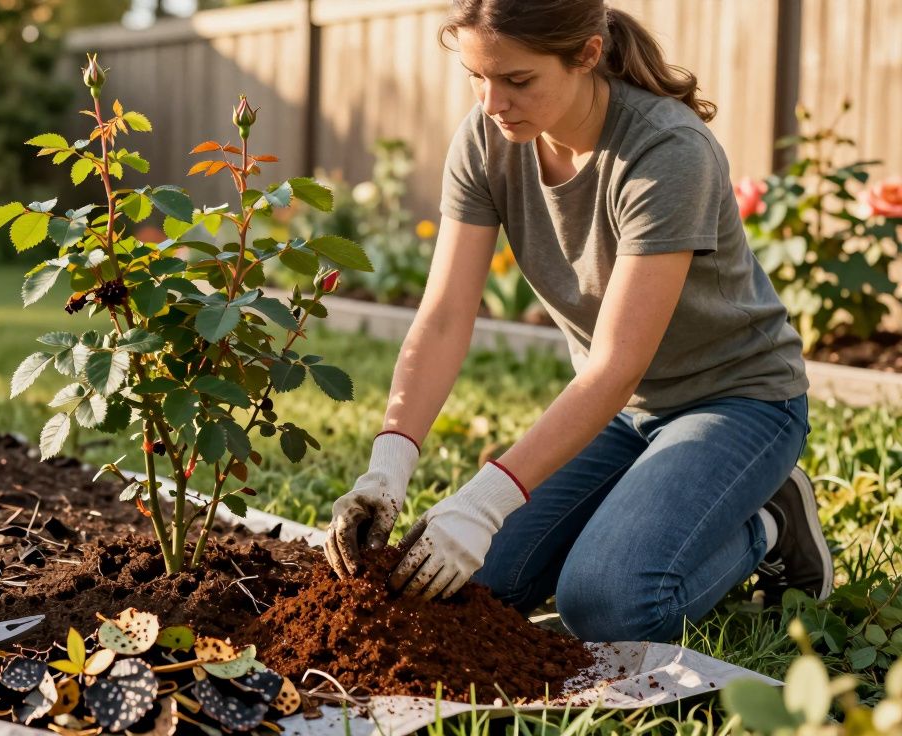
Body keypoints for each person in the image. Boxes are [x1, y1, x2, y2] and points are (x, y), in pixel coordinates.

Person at [322, 0, 833, 643]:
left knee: (608, 607)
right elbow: (447, 315)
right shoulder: (487, 141)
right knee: (471, 588)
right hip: (617, 413)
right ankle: (641, 508)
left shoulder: (666, 150)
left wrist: (486, 501)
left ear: (587, 55)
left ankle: (769, 521)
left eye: (517, 80)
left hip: (736, 403)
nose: (491, 102)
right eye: (477, 77)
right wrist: (387, 465)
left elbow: (620, 363)